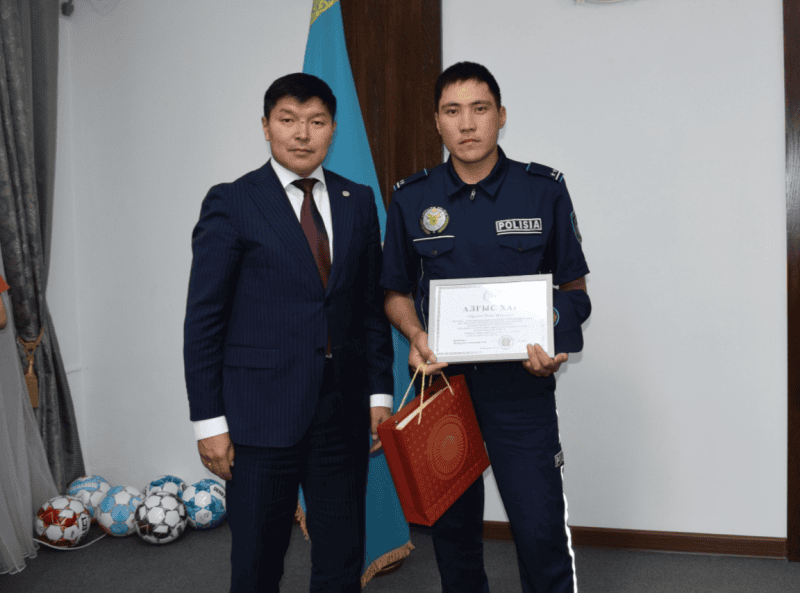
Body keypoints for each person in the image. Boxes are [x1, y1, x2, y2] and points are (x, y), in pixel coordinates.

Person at [379, 62, 591, 593]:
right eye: (453, 111)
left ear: (501, 116)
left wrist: (554, 342)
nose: (467, 123)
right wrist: (417, 335)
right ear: (437, 122)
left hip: (522, 388)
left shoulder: (543, 190)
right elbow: (395, 292)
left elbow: (574, 291)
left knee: (540, 531)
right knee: (454, 538)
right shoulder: (411, 198)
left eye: (479, 109)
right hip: (444, 390)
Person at [183, 73, 394, 593]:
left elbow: (369, 309)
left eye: (316, 122)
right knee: (256, 564)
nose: (302, 134)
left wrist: (378, 393)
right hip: (259, 417)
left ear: (333, 129)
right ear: (265, 126)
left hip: (342, 412)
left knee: (342, 558)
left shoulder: (357, 200)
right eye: (288, 120)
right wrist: (208, 422)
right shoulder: (232, 201)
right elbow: (204, 320)